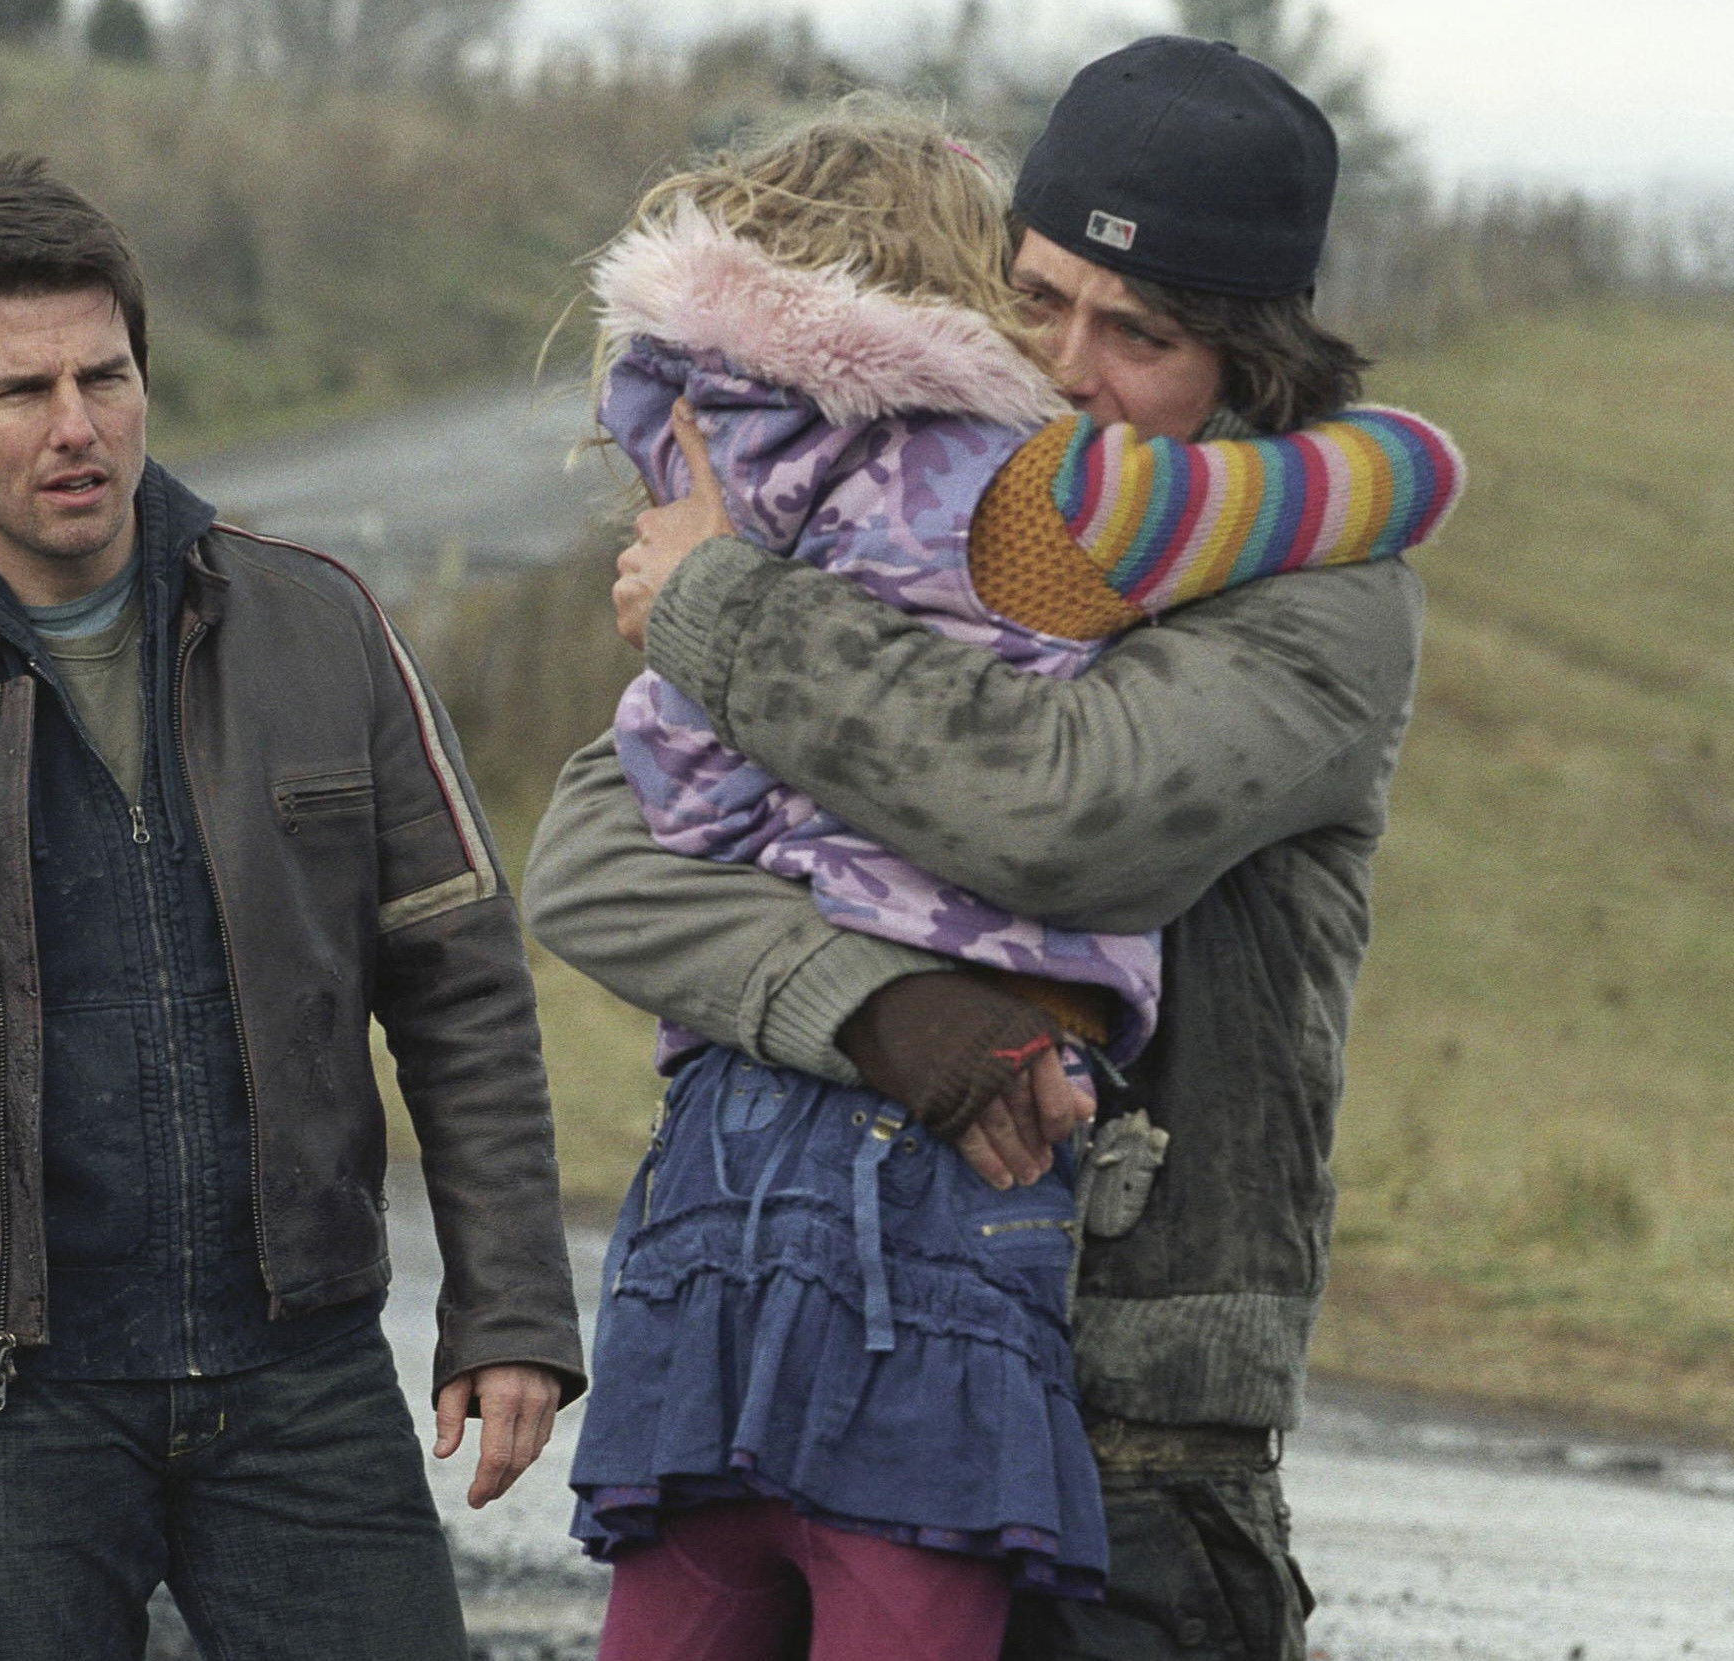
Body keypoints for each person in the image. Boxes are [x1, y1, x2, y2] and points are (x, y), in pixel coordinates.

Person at [527, 38, 1422, 1661]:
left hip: (1134, 1430)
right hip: (810, 1345)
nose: (1070, 368)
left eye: (1140, 334)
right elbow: (596, 844)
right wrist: (875, 1010)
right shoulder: (920, 519)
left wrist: (726, 607)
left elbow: (1064, 811)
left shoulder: (1320, 596)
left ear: (1252, 359)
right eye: (1037, 300)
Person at [0, 155, 583, 1661]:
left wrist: (511, 1307)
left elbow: (464, 985)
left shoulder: (320, 629)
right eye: (20, 390)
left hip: (300, 1375)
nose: (76, 425)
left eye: (104, 376)